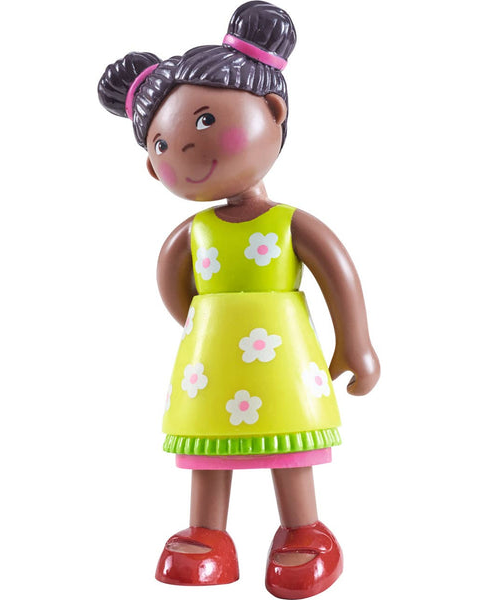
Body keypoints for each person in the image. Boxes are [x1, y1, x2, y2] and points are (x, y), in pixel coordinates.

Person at [97, 2, 380, 598]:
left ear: (273, 111)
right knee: (208, 452)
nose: (182, 150)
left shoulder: (288, 223)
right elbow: (172, 285)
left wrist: (356, 343)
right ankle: (208, 534)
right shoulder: (193, 233)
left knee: (289, 444)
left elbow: (337, 274)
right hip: (211, 364)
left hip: (283, 357)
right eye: (162, 143)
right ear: (151, 167)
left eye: (204, 121)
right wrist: (206, 325)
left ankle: (305, 531)